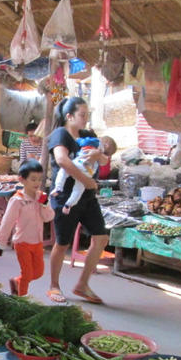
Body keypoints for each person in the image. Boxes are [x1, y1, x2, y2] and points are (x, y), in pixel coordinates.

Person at [46, 96, 108, 306]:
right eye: (82, 115)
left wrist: (97, 156)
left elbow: (105, 158)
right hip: (65, 199)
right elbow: (62, 160)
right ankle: (54, 285)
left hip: (88, 198)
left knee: (101, 237)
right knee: (62, 243)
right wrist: (87, 181)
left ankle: (82, 284)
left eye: (87, 115)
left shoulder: (88, 135)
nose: (85, 119)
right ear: (69, 116)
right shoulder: (60, 134)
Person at [0, 160, 55, 297]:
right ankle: (21, 300)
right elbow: (7, 222)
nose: (37, 183)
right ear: (22, 179)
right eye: (33, 179)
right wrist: (0, 243)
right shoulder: (17, 200)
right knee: (27, 275)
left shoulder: (41, 197)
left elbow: (49, 217)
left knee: (38, 273)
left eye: (39, 179)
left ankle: (17, 282)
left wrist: (44, 205)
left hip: (38, 243)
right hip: (22, 243)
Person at [50, 135, 116, 214]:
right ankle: (68, 205)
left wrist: (78, 140)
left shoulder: (95, 142)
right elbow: (104, 162)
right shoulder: (103, 155)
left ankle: (58, 187)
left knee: (63, 172)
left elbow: (83, 142)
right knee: (78, 189)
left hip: (79, 163)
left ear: (106, 144)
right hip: (89, 171)